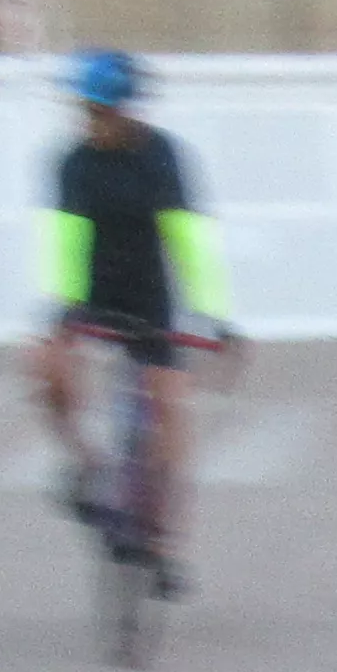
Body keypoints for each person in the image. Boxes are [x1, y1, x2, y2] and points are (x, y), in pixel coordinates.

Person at [26, 51, 229, 589]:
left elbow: (188, 236)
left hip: (149, 298)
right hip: (91, 293)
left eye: (99, 113)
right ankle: (85, 463)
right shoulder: (73, 162)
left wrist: (211, 312)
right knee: (41, 365)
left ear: (126, 109)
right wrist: (62, 309)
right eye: (83, 112)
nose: (89, 123)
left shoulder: (160, 156)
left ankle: (163, 541)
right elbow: (65, 239)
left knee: (169, 407)